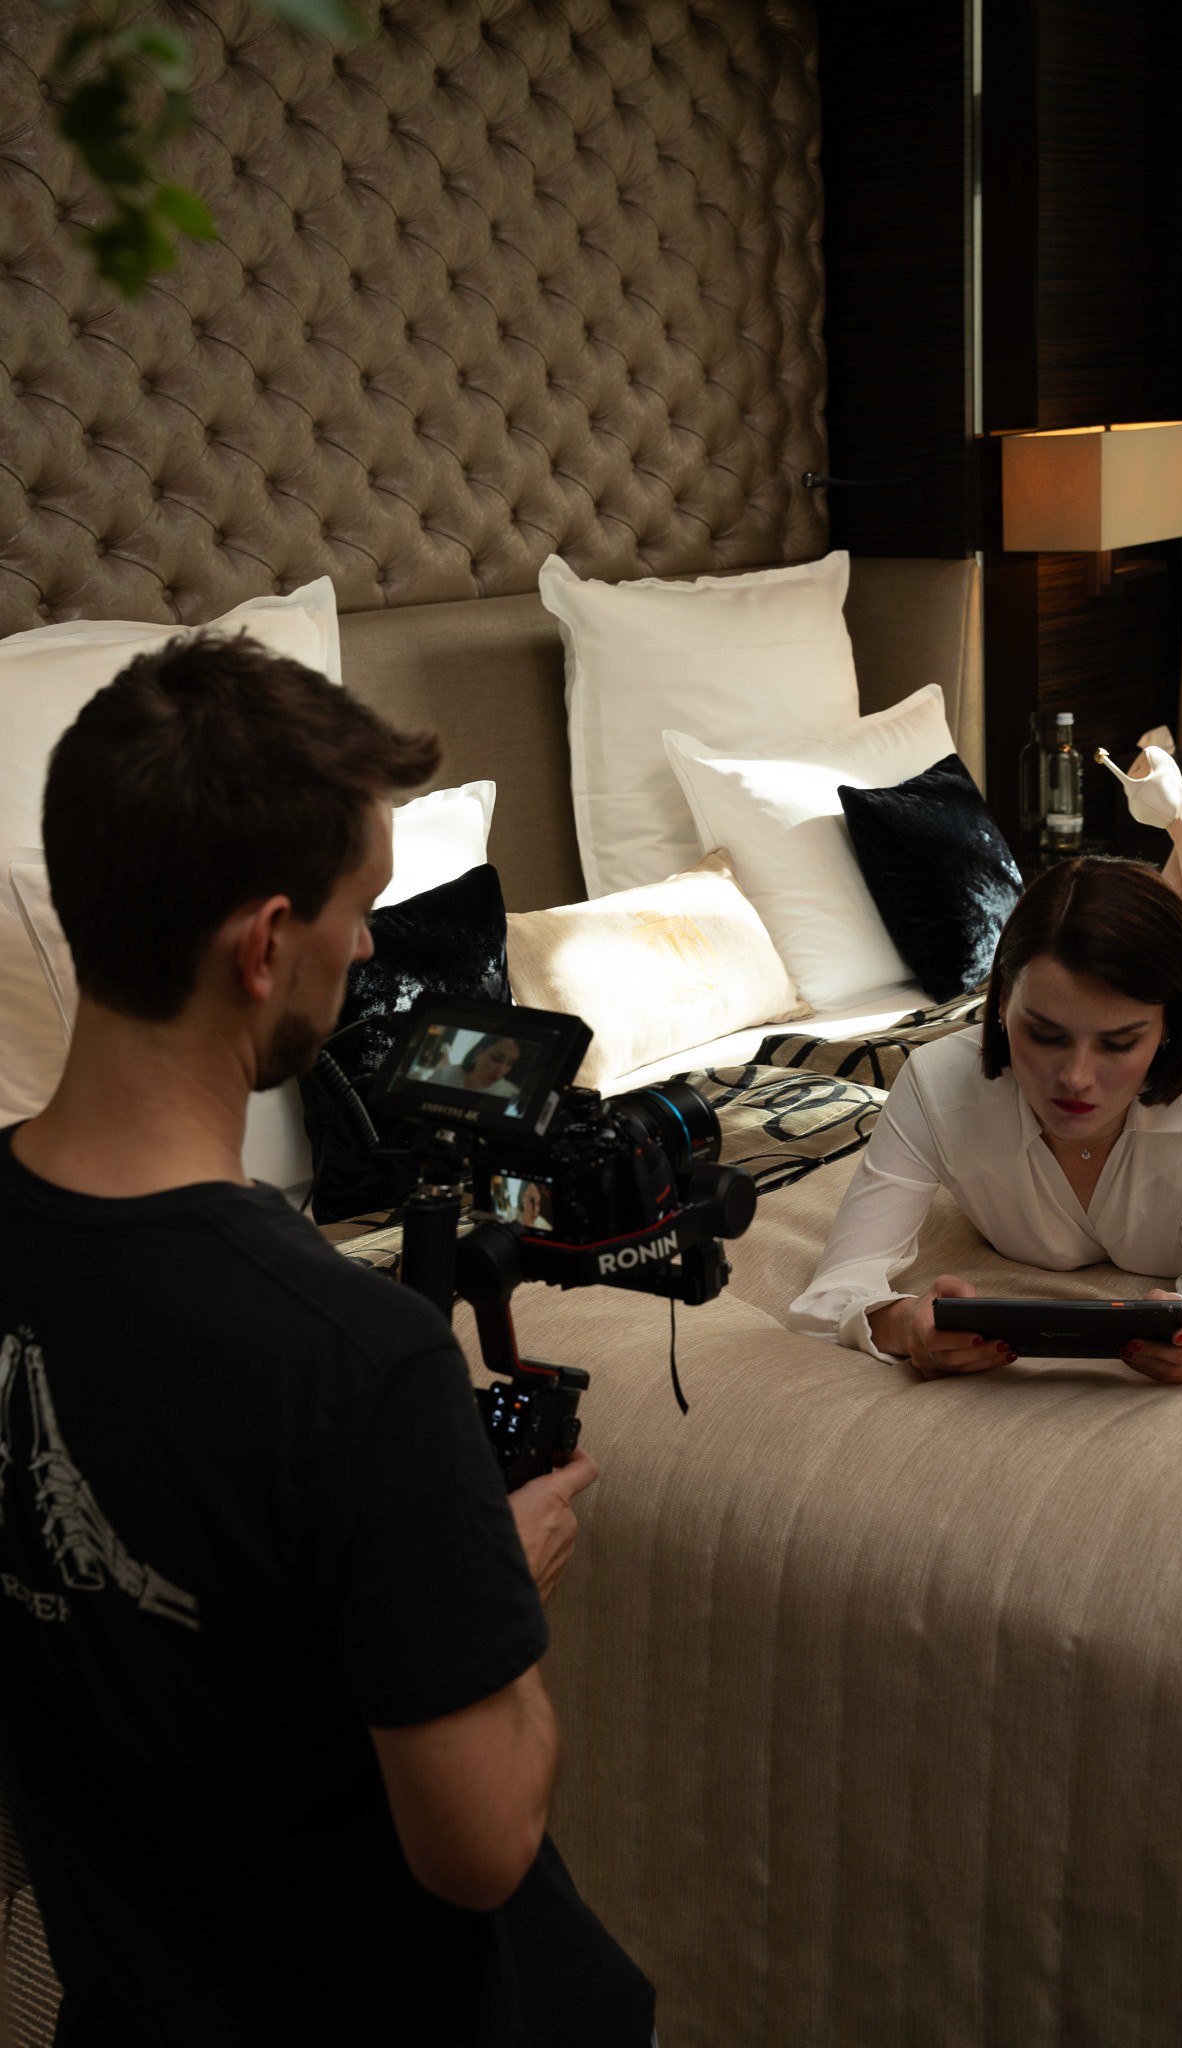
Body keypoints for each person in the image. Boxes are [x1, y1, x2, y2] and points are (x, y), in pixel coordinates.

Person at [0, 634, 655, 2046]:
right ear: (263, 943)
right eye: (360, 909)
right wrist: (487, 1592)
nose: (370, 946)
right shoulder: (358, 1360)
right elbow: (476, 1851)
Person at [790, 738, 1182, 1387]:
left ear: (1163, 1029)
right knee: (1139, 934)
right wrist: (900, 1323)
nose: (1075, 1077)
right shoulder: (938, 1084)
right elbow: (831, 1295)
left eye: (1116, 1043)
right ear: (998, 1007)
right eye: (1045, 1035)